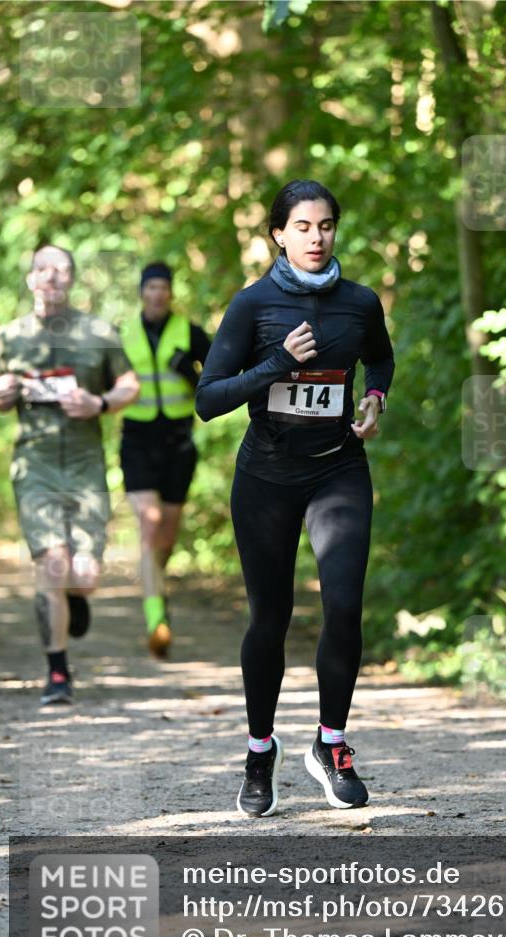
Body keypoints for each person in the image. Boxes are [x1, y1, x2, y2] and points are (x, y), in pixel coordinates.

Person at [196, 179, 395, 816]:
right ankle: (260, 751)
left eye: (326, 226)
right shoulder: (253, 305)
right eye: (303, 227)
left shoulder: (359, 303)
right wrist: (276, 363)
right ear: (279, 234)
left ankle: (330, 744)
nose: (316, 237)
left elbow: (380, 361)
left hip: (338, 470)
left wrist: (375, 398)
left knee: (344, 604)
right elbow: (208, 399)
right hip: (266, 478)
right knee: (270, 619)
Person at [0, 244, 140, 705]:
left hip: (84, 464)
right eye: (43, 269)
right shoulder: (9, 336)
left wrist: (99, 403)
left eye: (60, 270)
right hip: (34, 464)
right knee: (51, 564)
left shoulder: (99, 332)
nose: (51, 277)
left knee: (85, 575)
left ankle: (76, 595)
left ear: (72, 279)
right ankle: (58, 672)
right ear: (31, 279)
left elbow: (129, 385)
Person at [119, 262, 211, 657]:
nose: (157, 293)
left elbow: (216, 383)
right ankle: (156, 619)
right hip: (137, 440)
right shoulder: (121, 334)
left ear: (171, 292)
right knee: (150, 524)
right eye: (151, 287)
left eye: (163, 287)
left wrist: (188, 372)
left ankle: (157, 586)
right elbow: (102, 382)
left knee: (167, 537)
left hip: (177, 443)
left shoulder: (190, 333)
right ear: (142, 292)